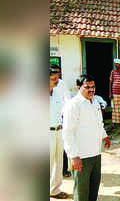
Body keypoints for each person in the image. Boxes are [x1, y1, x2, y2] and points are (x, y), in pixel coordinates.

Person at [63, 74, 111, 201]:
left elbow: (98, 122)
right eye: (87, 87)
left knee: (93, 189)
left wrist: (104, 136)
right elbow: (67, 132)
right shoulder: (73, 105)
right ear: (79, 88)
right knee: (82, 192)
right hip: (81, 156)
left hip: (95, 153)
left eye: (93, 87)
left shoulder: (95, 101)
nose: (91, 90)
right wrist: (74, 156)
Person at [49, 68, 68, 199]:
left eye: (57, 78)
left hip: (59, 130)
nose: (57, 81)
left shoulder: (57, 92)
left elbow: (65, 109)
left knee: (58, 161)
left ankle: (54, 189)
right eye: (53, 79)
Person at [51, 64, 72, 177]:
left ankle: (64, 170)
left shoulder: (61, 85)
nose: (56, 78)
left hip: (61, 121)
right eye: (54, 73)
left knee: (61, 151)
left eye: (58, 72)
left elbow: (67, 100)